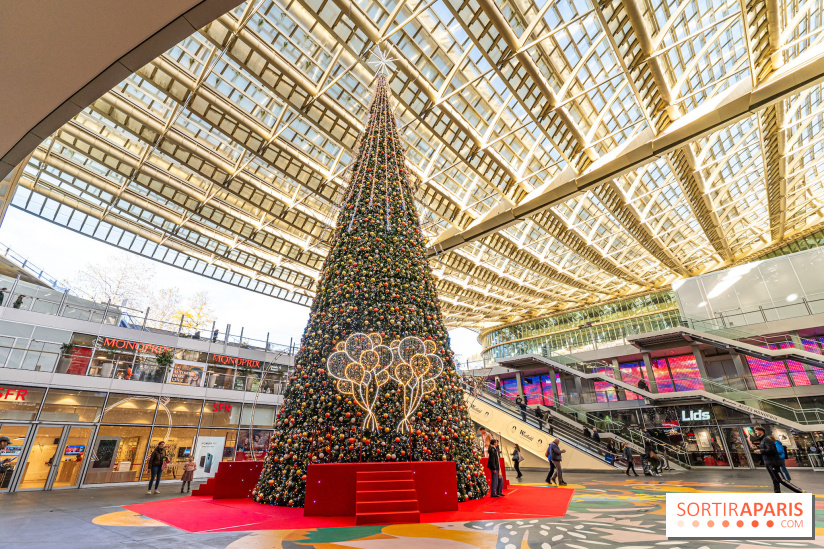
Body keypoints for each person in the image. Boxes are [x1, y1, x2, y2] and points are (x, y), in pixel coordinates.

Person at [753, 426, 804, 493]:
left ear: (761, 431)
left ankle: (799, 491)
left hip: (773, 463)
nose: (756, 432)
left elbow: (772, 450)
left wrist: (761, 451)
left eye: (756, 431)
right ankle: (777, 493)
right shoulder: (763, 440)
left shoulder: (766, 439)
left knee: (781, 479)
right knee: (774, 479)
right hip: (769, 462)